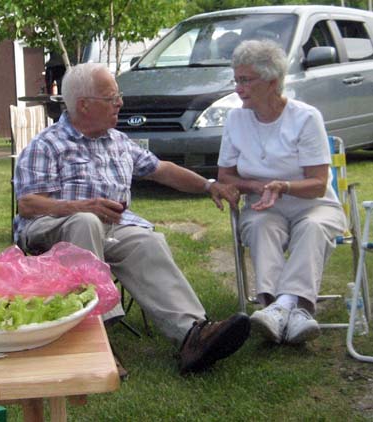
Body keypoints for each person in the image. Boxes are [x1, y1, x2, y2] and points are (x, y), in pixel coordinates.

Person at [14, 62, 250, 374]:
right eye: (111, 98)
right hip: (51, 229)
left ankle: (192, 334)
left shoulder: (118, 141)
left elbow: (162, 170)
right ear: (84, 105)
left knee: (145, 241)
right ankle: (96, 338)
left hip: (109, 227)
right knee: (85, 222)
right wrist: (82, 207)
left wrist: (208, 186)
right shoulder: (47, 144)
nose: (120, 103)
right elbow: (28, 204)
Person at [218, 39, 346, 344]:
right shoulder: (236, 119)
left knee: (313, 227)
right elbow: (225, 175)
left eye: (245, 80)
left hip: (313, 204)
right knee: (261, 226)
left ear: (273, 82)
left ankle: (282, 307)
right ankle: (292, 312)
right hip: (264, 205)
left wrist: (283, 186)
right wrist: (256, 186)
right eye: (236, 80)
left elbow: (318, 184)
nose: (238, 88)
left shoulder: (305, 117)